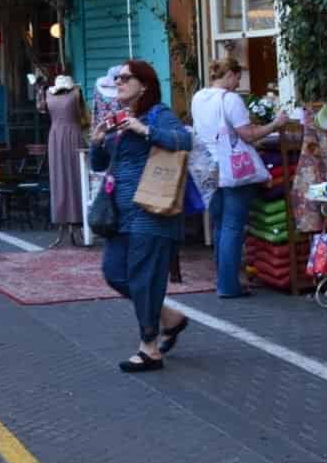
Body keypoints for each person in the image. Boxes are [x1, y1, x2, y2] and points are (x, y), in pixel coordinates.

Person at [90, 60, 192, 373]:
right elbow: (99, 163)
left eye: (125, 78)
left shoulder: (157, 113)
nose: (118, 83)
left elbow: (184, 140)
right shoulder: (117, 118)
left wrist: (145, 130)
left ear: (143, 85)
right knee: (114, 272)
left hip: (151, 211)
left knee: (145, 278)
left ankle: (149, 348)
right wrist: (96, 142)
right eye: (117, 78)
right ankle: (169, 318)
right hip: (119, 214)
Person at [191, 55, 289, 298]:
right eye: (237, 78)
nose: (238, 83)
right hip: (233, 170)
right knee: (233, 227)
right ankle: (228, 285)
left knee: (220, 226)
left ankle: (223, 279)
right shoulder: (231, 99)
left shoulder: (198, 97)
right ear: (230, 75)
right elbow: (248, 135)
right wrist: (275, 124)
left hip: (208, 169)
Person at [45, 75, 86, 246]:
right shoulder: (50, 93)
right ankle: (68, 221)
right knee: (61, 177)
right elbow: (83, 114)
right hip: (66, 134)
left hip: (59, 135)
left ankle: (76, 221)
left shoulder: (76, 93)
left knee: (76, 176)